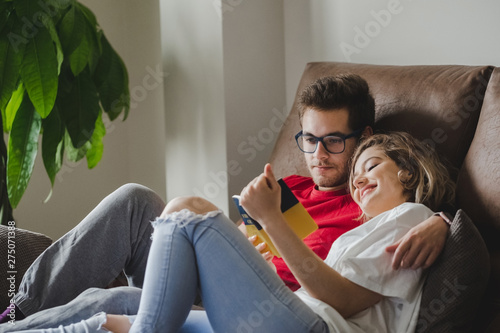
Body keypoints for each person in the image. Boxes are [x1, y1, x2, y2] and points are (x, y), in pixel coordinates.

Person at [0, 75, 452, 331]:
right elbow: (243, 243)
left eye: (334, 142)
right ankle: (17, 311)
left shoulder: (372, 208)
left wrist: (443, 221)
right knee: (137, 201)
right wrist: (245, 240)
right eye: (309, 140)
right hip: (217, 279)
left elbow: (420, 212)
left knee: (112, 296)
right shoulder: (291, 185)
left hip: (262, 306)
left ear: (364, 139)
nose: (319, 155)